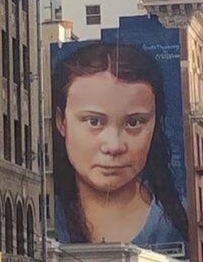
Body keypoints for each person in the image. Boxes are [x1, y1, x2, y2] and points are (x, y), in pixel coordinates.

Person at [52, 42, 189, 249]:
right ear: (61, 121)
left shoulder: (178, 222)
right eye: (94, 122)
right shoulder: (41, 217)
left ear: (155, 124)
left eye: (134, 123)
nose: (114, 146)